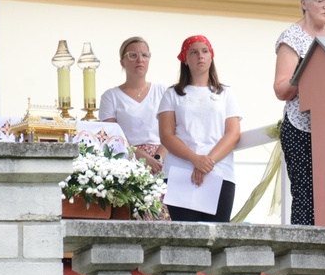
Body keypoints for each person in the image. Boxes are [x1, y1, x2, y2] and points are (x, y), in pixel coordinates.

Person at [273, 0, 325, 225]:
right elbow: (281, 89)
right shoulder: (292, 37)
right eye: (321, 0)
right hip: (301, 128)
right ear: (304, 3)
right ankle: (304, 253)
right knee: (306, 195)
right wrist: (308, 75)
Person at [158, 35, 241, 222]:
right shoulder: (172, 94)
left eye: (205, 51)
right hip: (180, 173)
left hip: (219, 172)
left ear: (211, 57)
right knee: (187, 237)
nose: (200, 56)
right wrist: (195, 159)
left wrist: (207, 162)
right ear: (185, 59)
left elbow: (233, 133)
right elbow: (167, 135)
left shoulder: (226, 93)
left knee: (217, 235)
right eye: (193, 52)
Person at [98, 36, 170, 220]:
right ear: (122, 61)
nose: (140, 59)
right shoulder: (111, 96)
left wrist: (157, 158)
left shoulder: (163, 91)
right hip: (128, 161)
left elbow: (172, 130)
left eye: (144, 55)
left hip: (162, 161)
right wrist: (142, 158)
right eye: (133, 55)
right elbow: (112, 136)